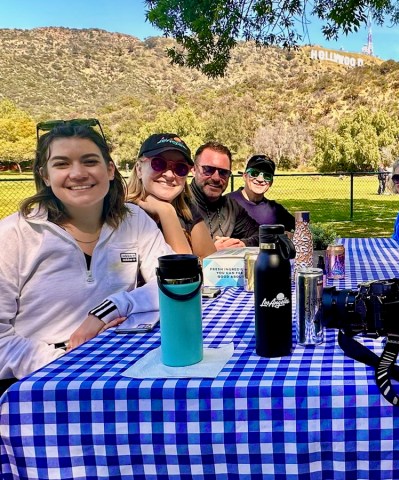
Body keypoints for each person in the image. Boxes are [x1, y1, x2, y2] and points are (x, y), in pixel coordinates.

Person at [0, 121, 173, 396]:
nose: (78, 173)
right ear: (45, 175)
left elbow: (174, 284)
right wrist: (65, 360)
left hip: (118, 366)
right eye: (62, 164)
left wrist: (112, 306)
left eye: (89, 161)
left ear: (110, 170)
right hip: (37, 383)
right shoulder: (14, 234)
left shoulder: (134, 220)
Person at [127, 133, 215, 259]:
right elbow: (182, 270)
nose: (169, 175)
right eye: (158, 163)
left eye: (180, 168)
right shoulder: (125, 214)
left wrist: (165, 211)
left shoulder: (186, 208)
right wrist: (166, 212)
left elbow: (211, 263)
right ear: (139, 169)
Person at [190, 141, 259, 250]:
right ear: (193, 169)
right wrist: (211, 251)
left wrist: (241, 244)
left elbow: (262, 235)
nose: (216, 178)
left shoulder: (231, 207)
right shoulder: (180, 204)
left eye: (223, 172)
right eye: (208, 170)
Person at [228, 154, 295, 232]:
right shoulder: (227, 203)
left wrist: (291, 236)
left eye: (267, 176)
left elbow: (303, 231)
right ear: (245, 176)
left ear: (271, 182)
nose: (260, 179)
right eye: (254, 173)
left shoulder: (276, 210)